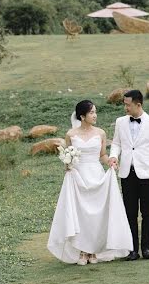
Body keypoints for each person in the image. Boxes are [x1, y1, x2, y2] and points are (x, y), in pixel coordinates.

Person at [47, 100, 133, 265]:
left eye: (95, 112)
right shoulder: (71, 134)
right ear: (82, 116)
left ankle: (94, 250)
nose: (95, 115)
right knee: (81, 214)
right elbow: (68, 156)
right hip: (78, 177)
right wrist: (67, 163)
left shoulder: (100, 133)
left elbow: (102, 155)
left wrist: (111, 161)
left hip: (96, 175)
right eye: (92, 112)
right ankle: (82, 250)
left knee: (97, 215)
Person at [108, 89, 149, 261]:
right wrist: (113, 156)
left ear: (138, 104)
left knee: (148, 212)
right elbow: (117, 143)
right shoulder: (120, 122)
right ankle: (132, 250)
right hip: (127, 173)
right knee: (130, 212)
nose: (125, 108)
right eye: (124, 104)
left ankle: (146, 248)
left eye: (128, 105)